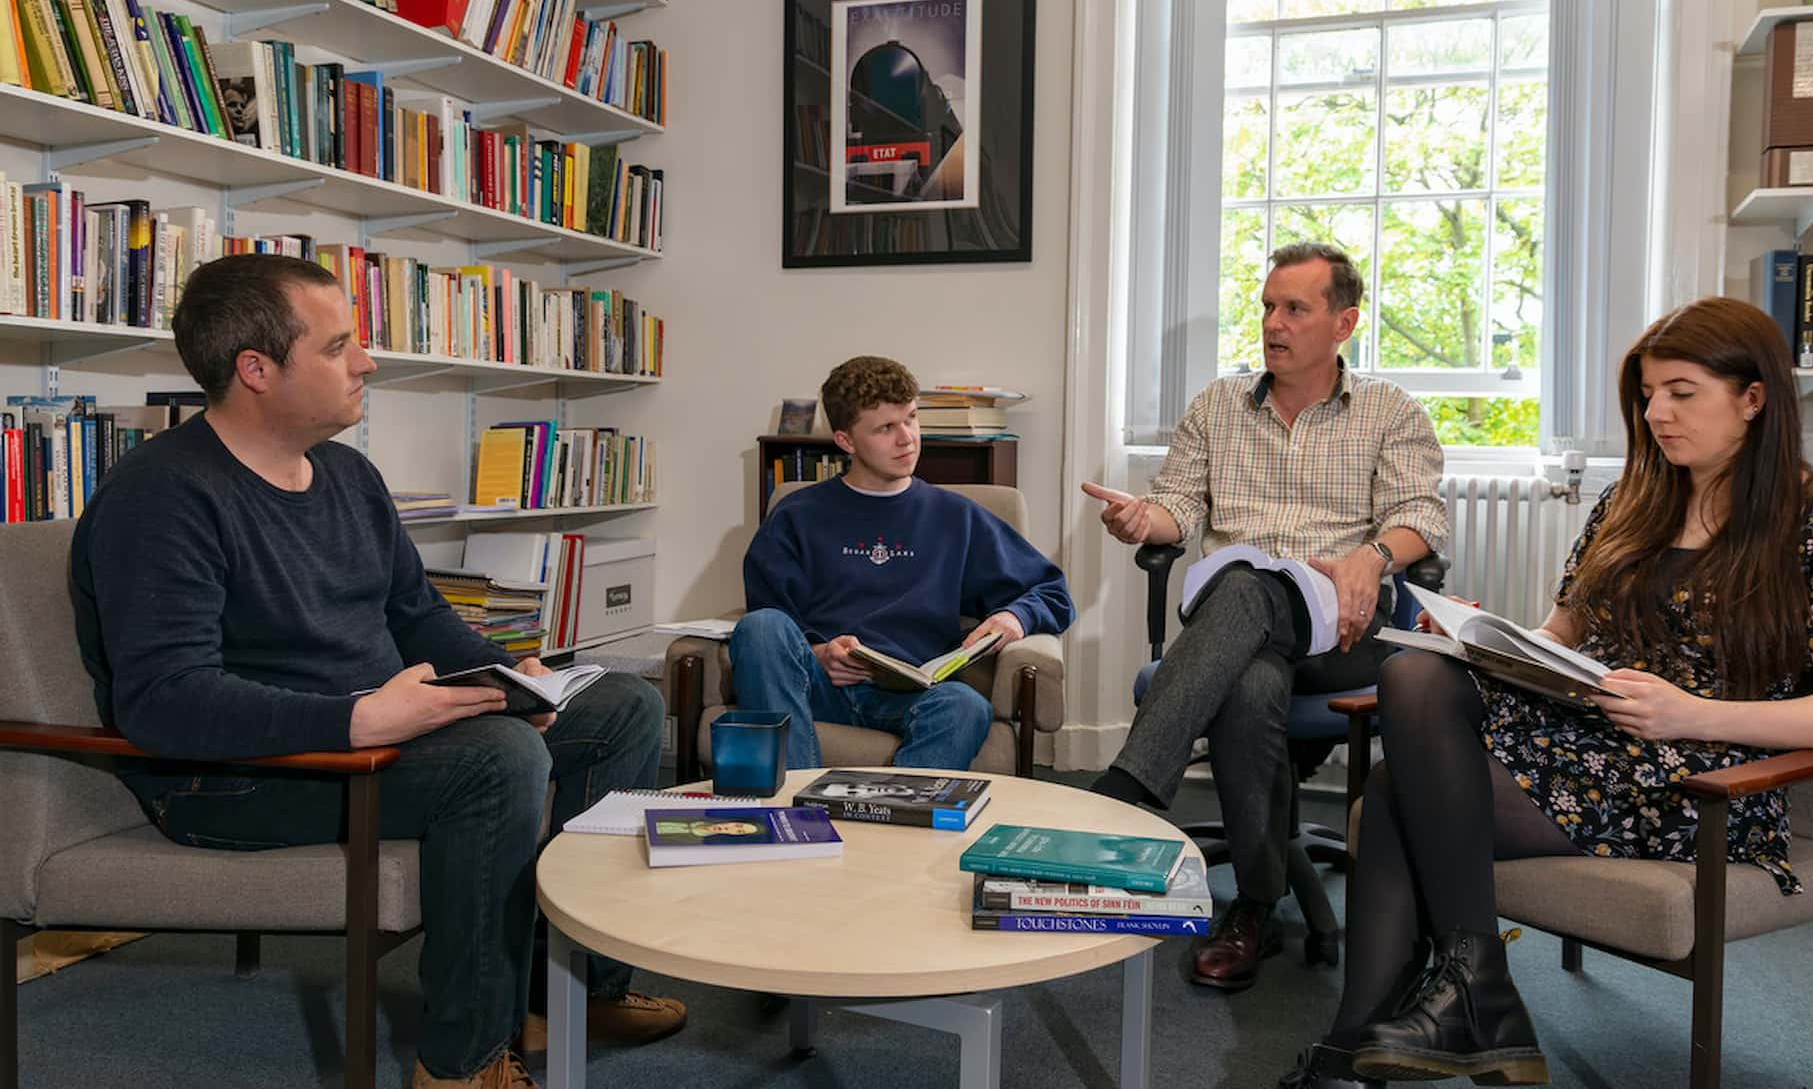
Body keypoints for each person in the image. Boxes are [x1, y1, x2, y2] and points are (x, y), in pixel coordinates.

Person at [70, 255, 687, 1089]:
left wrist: (511, 678)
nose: (367, 363)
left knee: (619, 705)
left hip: (366, 733)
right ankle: (461, 1063)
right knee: (497, 760)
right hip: (233, 777)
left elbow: (415, 614)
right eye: (339, 346)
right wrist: (361, 719)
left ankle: (564, 987)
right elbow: (163, 701)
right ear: (256, 370)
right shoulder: (163, 496)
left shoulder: (349, 476)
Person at [1281, 296, 1813, 1089]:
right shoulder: (1634, 504)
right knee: (1418, 668)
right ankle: (1468, 997)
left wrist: (1689, 713)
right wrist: (1488, 642)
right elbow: (1559, 640)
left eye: (1682, 393)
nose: (1656, 414)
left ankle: (1386, 1038)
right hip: (1589, 743)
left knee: (1389, 792)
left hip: (1704, 780)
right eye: (1648, 395)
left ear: (1754, 399)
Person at [1081, 241, 1447, 991]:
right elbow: (1180, 507)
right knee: (1248, 657)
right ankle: (1253, 905)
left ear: (1343, 324)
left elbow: (1422, 519)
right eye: (1267, 307)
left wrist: (1372, 556)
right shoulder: (1218, 404)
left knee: (1248, 588)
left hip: (1344, 629)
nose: (1273, 324)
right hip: (1239, 619)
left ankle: (1132, 786)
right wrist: (1142, 521)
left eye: (1294, 309)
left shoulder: (1390, 410)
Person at [729, 355, 1074, 770]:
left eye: (910, 419)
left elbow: (1052, 591)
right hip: (819, 687)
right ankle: (797, 815)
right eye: (885, 428)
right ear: (845, 441)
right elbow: (772, 620)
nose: (907, 438)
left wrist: (1015, 617)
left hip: (912, 692)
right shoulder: (796, 516)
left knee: (964, 705)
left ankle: (896, 815)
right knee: (760, 627)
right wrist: (818, 652)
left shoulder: (956, 517)